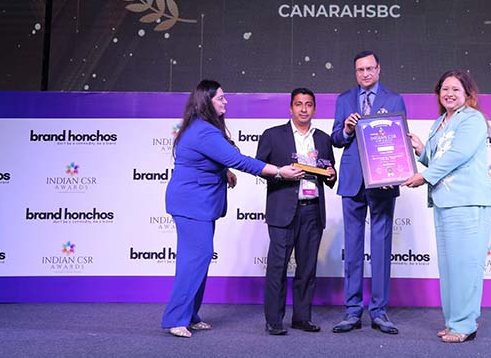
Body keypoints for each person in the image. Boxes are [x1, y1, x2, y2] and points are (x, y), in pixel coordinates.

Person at [161, 80, 304, 338]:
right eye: (220, 98)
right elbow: (239, 160)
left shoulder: (203, 128)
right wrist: (279, 171)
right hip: (191, 203)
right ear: (206, 102)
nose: (225, 102)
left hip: (198, 204)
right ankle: (176, 318)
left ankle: (190, 316)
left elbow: (210, 159)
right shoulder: (204, 131)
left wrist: (223, 171)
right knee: (196, 258)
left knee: (196, 259)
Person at [404, 69, 491, 343]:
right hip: (444, 201)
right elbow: (437, 158)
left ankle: (465, 325)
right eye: (445, 89)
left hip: (467, 201)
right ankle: (454, 322)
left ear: (467, 93)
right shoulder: (440, 122)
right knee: (450, 267)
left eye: (455, 89)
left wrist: (424, 176)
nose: (449, 94)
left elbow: (458, 155)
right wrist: (421, 150)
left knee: (465, 266)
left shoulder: (472, 119)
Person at [331, 51, 407, 335]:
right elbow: (336, 139)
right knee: (352, 249)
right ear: (356, 72)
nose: (365, 74)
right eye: (360, 70)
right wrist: (347, 129)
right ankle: (352, 311)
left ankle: (379, 311)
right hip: (353, 180)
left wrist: (395, 174)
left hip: (383, 181)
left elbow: (400, 141)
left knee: (381, 248)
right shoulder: (344, 99)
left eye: (369, 68)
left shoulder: (394, 99)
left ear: (378, 69)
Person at [256, 88, 337, 335]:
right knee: (277, 267)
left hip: (312, 211)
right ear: (290, 108)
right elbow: (259, 168)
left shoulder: (323, 139)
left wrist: (331, 175)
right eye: (299, 104)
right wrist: (282, 173)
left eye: (308, 104)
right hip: (282, 211)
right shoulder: (272, 135)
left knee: (307, 268)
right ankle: (274, 320)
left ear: (314, 109)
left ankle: (302, 317)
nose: (304, 109)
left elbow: (329, 172)